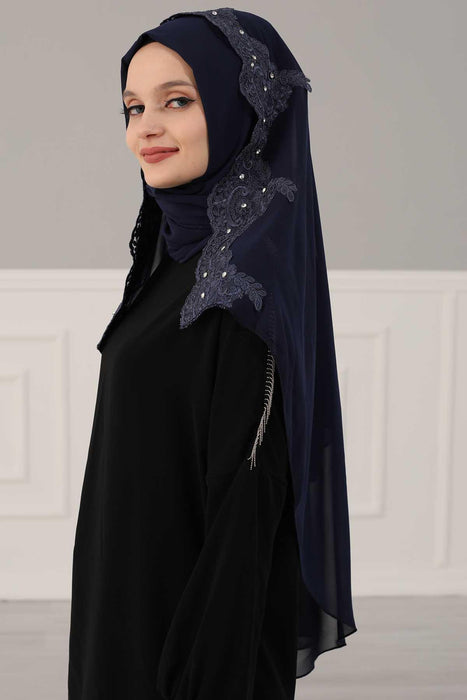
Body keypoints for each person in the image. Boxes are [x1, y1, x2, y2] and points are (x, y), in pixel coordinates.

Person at [68, 7, 357, 699]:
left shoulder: (240, 293)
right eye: (134, 107)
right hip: (125, 610)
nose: (145, 127)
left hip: (185, 648)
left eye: (177, 101)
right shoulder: (176, 261)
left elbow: (244, 524)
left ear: (242, 112)